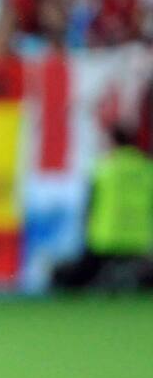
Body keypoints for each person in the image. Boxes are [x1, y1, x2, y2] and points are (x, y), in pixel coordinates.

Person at [52, 124, 153, 290]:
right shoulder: (147, 169)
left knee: (75, 277)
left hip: (106, 238)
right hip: (138, 240)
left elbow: (90, 203)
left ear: (113, 142)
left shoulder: (104, 169)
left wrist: (86, 226)